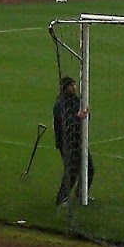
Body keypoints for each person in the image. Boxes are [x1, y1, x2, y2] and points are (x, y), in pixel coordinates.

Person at [53, 76, 94, 205]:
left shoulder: (76, 100)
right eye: (72, 85)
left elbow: (85, 116)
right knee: (71, 171)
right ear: (65, 88)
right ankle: (61, 198)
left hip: (79, 140)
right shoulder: (59, 104)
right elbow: (65, 120)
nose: (74, 87)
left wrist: (86, 113)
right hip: (66, 142)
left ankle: (81, 195)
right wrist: (77, 116)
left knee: (89, 169)